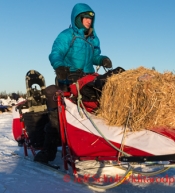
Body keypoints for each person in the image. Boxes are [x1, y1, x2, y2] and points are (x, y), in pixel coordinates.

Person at [34, 3, 115, 163]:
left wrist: (102, 59)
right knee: (58, 115)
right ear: (77, 18)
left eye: (91, 19)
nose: (88, 21)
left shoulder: (93, 38)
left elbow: (94, 57)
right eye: (85, 18)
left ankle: (98, 147)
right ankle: (48, 152)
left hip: (87, 81)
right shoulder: (67, 35)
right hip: (68, 79)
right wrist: (59, 67)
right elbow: (55, 53)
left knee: (95, 111)